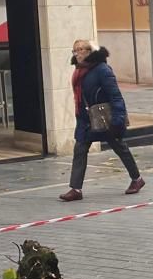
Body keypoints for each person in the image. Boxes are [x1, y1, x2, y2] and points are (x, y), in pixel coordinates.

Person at [59, 39, 145, 202]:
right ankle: (76, 189)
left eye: (81, 50)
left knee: (119, 147)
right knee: (80, 149)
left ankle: (137, 179)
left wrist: (118, 120)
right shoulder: (78, 71)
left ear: (90, 52)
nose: (77, 53)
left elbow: (115, 96)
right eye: (74, 50)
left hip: (104, 118)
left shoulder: (102, 70)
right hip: (85, 118)